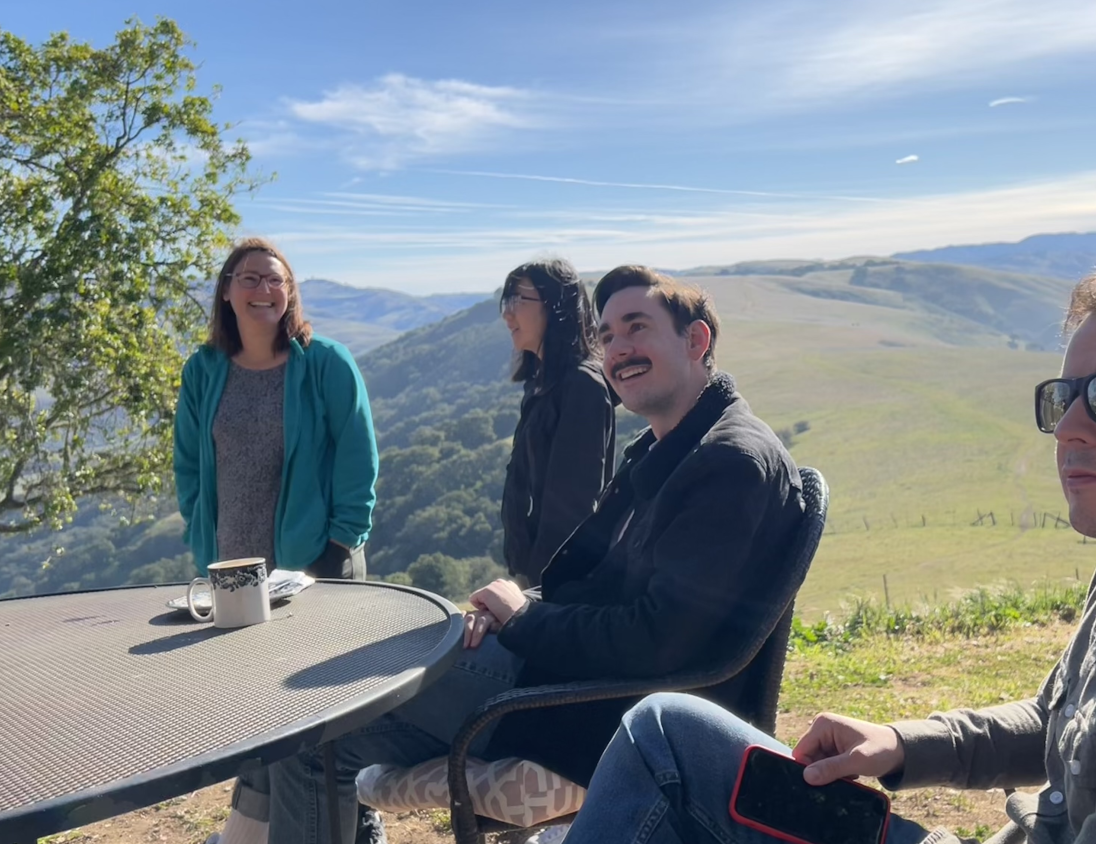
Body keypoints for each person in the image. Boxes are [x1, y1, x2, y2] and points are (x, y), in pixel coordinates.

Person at [562, 262, 1096, 844]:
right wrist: (901, 743)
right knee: (666, 733)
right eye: (1066, 396)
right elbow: (1061, 723)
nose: (1072, 426)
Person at [267, 265, 806, 844]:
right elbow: (593, 581)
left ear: (696, 341)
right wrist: (513, 607)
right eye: (606, 336)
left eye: (637, 327)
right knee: (310, 745)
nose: (618, 349)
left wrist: (523, 619)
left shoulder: (728, 465)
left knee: (323, 696)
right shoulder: (668, 446)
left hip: (590, 707)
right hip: (561, 678)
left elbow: (659, 641)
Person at [174, 237, 381, 844]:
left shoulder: (326, 362)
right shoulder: (204, 370)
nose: (263, 290)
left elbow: (357, 458)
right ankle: (280, 829)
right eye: (250, 279)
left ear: (289, 292)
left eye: (275, 279)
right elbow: (190, 465)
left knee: (317, 720)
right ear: (226, 290)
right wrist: (201, 536)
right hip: (234, 574)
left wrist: (338, 548)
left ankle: (349, 826)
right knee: (259, 712)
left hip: (316, 565)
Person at [498, 259, 616, 588]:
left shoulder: (581, 386)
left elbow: (571, 507)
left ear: (555, 306)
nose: (507, 315)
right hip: (535, 567)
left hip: (554, 580)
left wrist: (540, 591)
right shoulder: (542, 380)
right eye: (505, 302)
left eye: (516, 301)